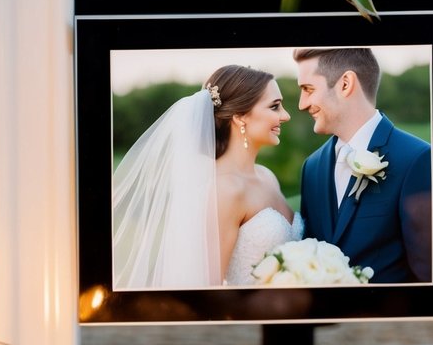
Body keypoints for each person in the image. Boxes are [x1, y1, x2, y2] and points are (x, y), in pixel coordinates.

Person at [112, 64, 301, 289]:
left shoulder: (267, 176)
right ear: (241, 117)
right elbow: (210, 290)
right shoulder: (225, 189)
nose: (286, 116)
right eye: (275, 107)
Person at [294, 47, 432, 283]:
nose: (301, 104)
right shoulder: (312, 168)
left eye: (308, 89)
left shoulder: (417, 159)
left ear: (345, 84)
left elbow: (427, 273)